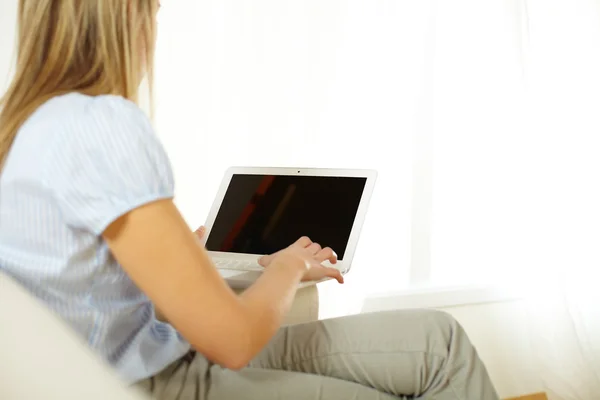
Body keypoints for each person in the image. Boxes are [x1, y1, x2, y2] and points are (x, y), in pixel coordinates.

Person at [0, 1, 500, 399]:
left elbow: (77, 297)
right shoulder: (100, 125)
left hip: (160, 357)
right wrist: (287, 265)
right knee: (424, 369)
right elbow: (234, 342)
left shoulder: (22, 129)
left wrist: (180, 262)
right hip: (162, 381)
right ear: (128, 13)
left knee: (439, 339)